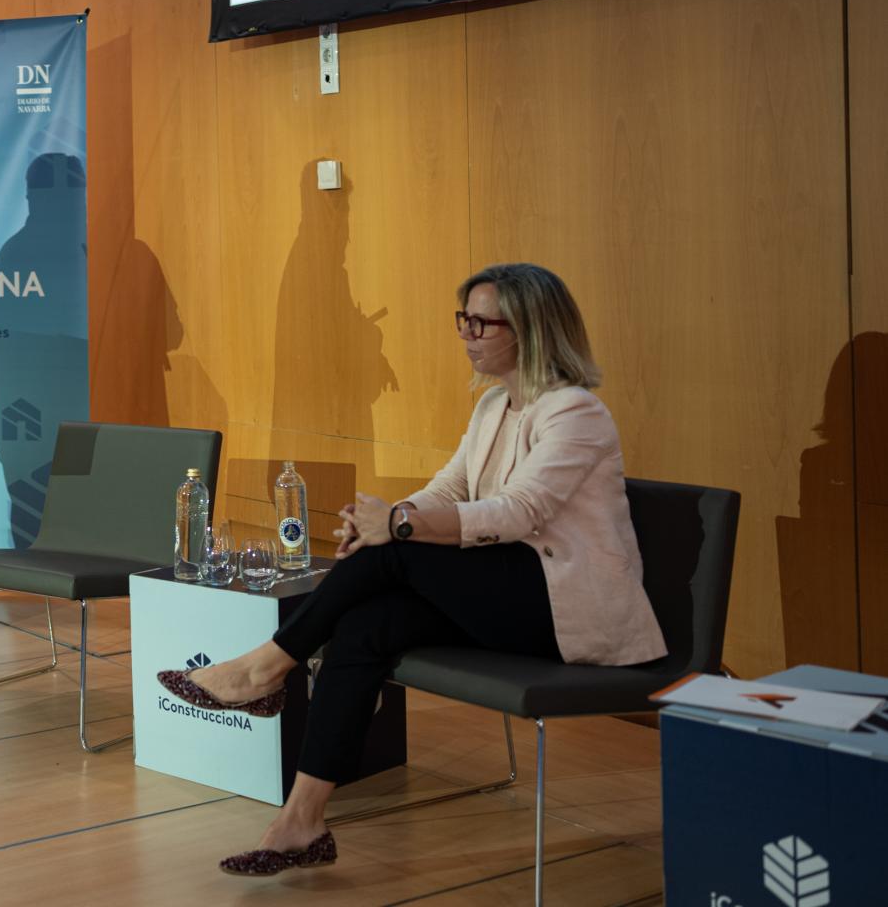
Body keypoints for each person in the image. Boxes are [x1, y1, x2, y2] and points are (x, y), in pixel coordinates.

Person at [158, 262, 665, 876]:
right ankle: (301, 822)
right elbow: (449, 488)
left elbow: (519, 511)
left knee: (394, 550)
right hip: (508, 592)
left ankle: (266, 667)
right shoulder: (494, 408)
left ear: (530, 330)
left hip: (567, 610)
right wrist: (387, 517)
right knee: (367, 625)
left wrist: (394, 527)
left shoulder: (575, 413)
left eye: (482, 322)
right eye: (464, 320)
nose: (468, 334)